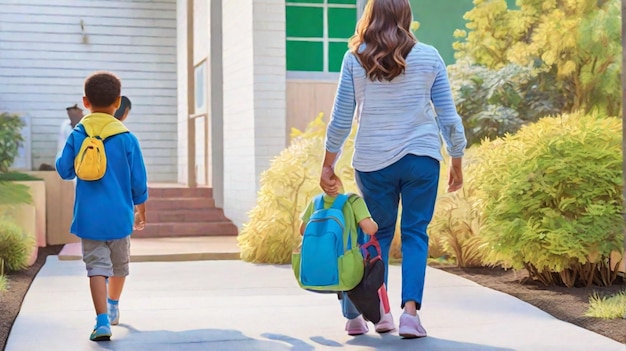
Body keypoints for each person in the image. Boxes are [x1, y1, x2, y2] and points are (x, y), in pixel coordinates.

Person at [319, 0, 467, 339]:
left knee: (375, 235)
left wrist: (328, 163)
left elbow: (341, 119)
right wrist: (456, 160)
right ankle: (411, 315)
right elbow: (449, 118)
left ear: (370, 16)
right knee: (416, 233)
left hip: (373, 163)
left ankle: (378, 311)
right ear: (406, 16)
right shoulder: (429, 56)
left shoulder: (355, 58)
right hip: (421, 159)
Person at [56, 71, 148, 342]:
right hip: (120, 216)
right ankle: (113, 306)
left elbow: (64, 170)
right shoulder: (127, 138)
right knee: (119, 267)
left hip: (89, 218)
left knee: (96, 268)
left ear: (85, 102)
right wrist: (141, 211)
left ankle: (101, 322)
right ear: (118, 102)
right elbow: (138, 181)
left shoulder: (78, 133)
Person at [299, 183, 385, 335]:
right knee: (351, 279)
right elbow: (369, 228)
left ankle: (352, 320)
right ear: (340, 184)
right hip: (348, 258)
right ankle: (355, 320)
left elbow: (303, 230)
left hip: (324, 259)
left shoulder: (316, 201)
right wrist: (376, 224)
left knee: (339, 280)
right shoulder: (352, 200)